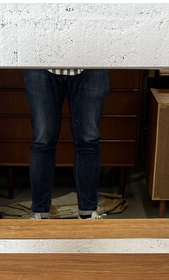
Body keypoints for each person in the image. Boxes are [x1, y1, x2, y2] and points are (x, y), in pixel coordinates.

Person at [23, 68, 110, 219]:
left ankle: (88, 214)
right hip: (41, 58)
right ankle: (39, 214)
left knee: (88, 140)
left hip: (90, 59)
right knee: (42, 140)